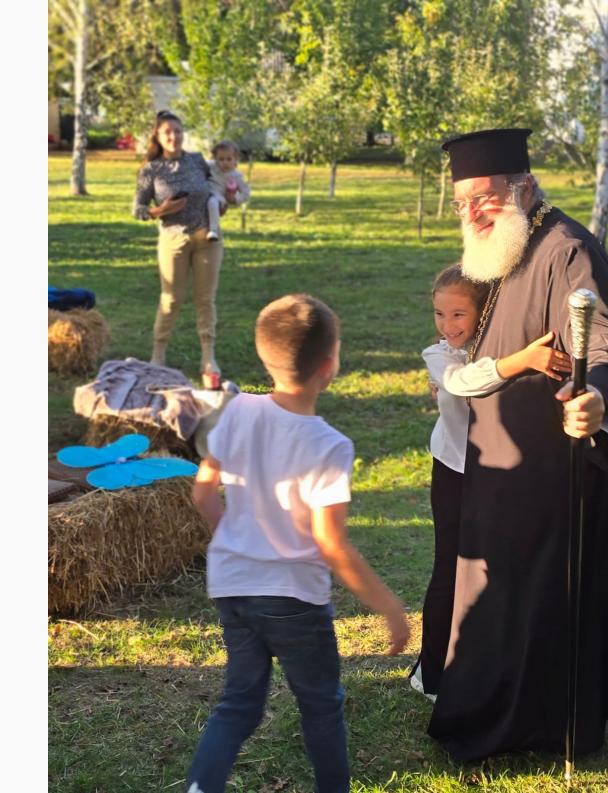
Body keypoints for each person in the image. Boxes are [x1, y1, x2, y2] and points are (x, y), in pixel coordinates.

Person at [424, 128, 608, 761]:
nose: (471, 213)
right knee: (495, 593)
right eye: (461, 201)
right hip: (498, 462)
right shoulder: (504, 246)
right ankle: (484, 706)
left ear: (523, 188)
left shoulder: (568, 248)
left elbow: (606, 337)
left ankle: (534, 725)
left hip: (550, 472)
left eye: (483, 198)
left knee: (537, 597)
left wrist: (598, 395)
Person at [183, 294, 410, 793]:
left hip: (233, 586)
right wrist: (389, 607)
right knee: (321, 705)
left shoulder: (236, 411)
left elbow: (202, 493)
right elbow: (331, 544)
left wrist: (234, 540)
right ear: (330, 366)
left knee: (238, 704)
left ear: (264, 355)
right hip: (295, 602)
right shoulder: (329, 445)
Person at [410, 263, 571, 699]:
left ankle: (491, 662)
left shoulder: (499, 343)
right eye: (439, 314)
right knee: (451, 568)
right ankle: (432, 673)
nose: (447, 325)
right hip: (454, 471)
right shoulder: (439, 356)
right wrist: (524, 361)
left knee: (496, 571)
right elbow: (465, 383)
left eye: (458, 314)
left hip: (500, 476)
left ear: (483, 313)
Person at [132, 110, 225, 384]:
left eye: (178, 131)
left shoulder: (197, 161)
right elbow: (138, 209)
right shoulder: (151, 170)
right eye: (167, 132)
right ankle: (158, 354)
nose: (174, 136)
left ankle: (208, 356)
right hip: (173, 240)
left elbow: (213, 189)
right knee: (171, 299)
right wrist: (161, 210)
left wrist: (223, 204)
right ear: (158, 137)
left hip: (207, 239)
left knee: (205, 299)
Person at [204, 140, 251, 242]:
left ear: (235, 159)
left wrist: (235, 199)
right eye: (221, 159)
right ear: (215, 159)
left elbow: (246, 193)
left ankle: (213, 230)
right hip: (205, 193)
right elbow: (198, 164)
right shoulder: (211, 166)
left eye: (229, 159)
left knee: (212, 202)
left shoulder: (236, 176)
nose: (225, 162)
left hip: (219, 198)